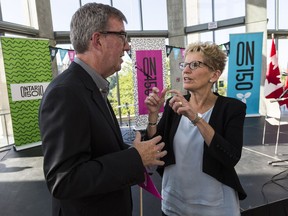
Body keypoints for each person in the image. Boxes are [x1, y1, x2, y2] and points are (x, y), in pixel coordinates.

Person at [38, 3, 167, 216]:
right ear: (98, 40)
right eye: (122, 36)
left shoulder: (92, 86)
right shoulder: (66, 92)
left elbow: (99, 150)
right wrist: (135, 158)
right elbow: (64, 180)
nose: (127, 46)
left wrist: (138, 146)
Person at [144, 41, 247, 216]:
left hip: (215, 207)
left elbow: (230, 157)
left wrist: (195, 118)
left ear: (214, 75)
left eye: (195, 65)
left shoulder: (232, 108)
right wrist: (153, 116)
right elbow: (155, 149)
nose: (186, 70)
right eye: (185, 64)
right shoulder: (173, 105)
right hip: (173, 202)